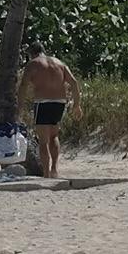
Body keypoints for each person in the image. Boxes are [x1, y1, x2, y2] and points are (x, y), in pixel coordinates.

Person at [22, 50, 80, 178]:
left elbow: (23, 85)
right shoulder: (59, 63)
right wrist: (77, 105)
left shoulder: (33, 64)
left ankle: (46, 173)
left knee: (43, 141)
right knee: (54, 136)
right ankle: (54, 169)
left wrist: (19, 105)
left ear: (32, 54)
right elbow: (74, 83)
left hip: (43, 103)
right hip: (59, 103)